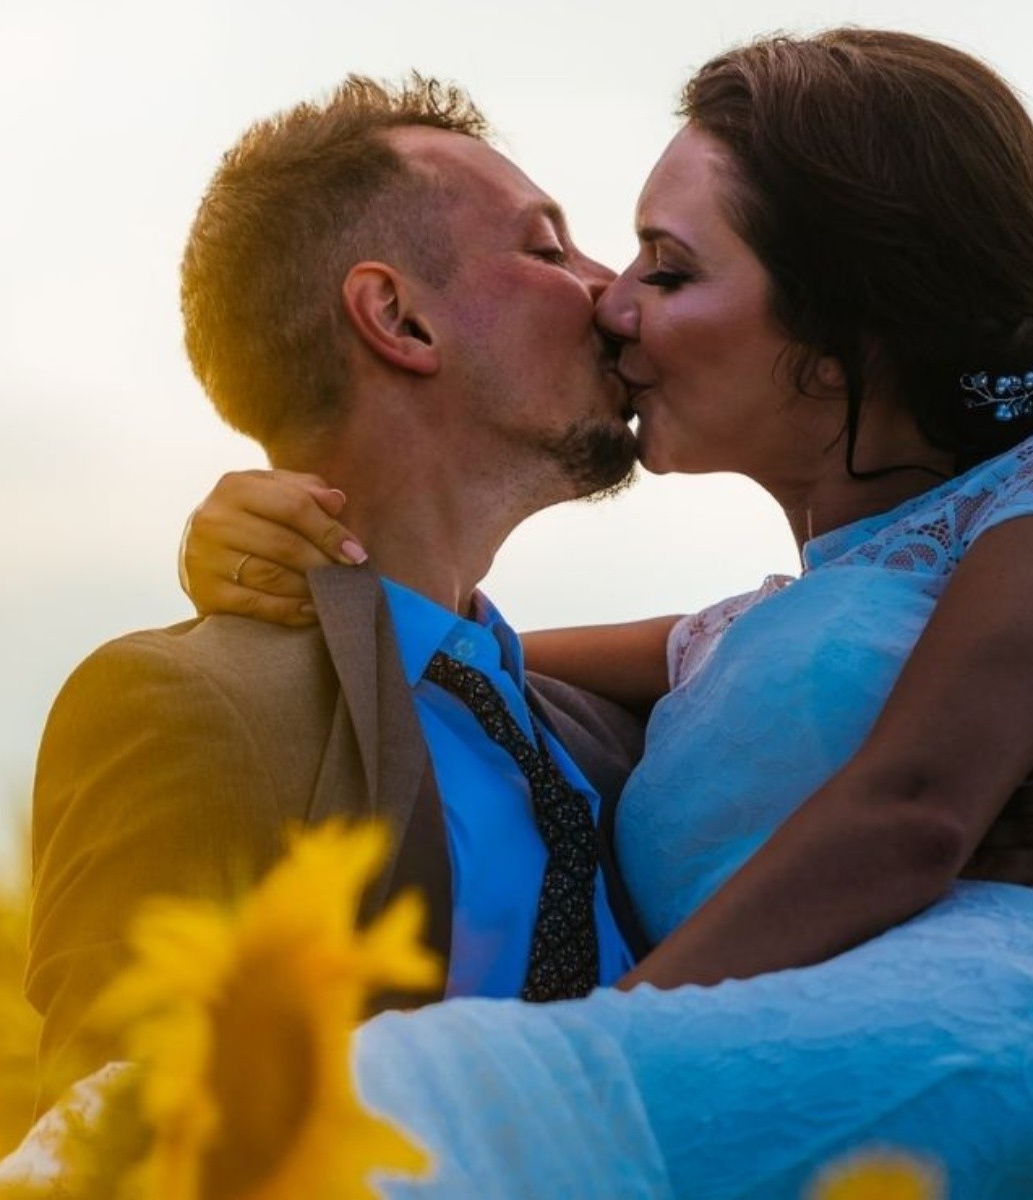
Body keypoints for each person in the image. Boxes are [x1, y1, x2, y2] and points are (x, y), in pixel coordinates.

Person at [178, 30, 1033, 1194]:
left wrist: (575, 1057)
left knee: (404, 1111)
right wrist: (282, 547)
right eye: (584, 252)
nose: (610, 302)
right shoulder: (732, 636)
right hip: (760, 1113)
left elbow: (914, 811)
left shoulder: (1016, 518)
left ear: (840, 338)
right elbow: (450, 652)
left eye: (668, 272)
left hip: (957, 1041)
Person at [26, 73, 657, 1100]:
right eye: (547, 248)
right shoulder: (187, 709)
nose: (613, 292)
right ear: (397, 319)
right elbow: (113, 1149)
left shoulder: (621, 730)